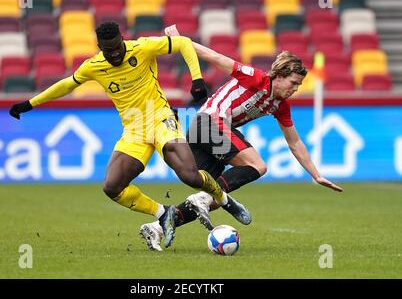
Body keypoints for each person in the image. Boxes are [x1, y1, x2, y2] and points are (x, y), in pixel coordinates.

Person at [9, 22, 251, 249]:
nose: (114, 55)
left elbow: (184, 43)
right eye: (108, 51)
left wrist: (197, 79)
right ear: (99, 48)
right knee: (112, 187)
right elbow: (67, 84)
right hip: (134, 130)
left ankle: (226, 201)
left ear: (123, 40)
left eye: (117, 48)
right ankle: (163, 213)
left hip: (160, 119)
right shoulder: (93, 66)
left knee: (189, 175)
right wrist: (31, 103)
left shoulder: (142, 47)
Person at [139, 24, 343, 251]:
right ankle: (202, 201)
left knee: (214, 196)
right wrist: (181, 42)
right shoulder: (256, 78)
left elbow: (294, 142)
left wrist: (316, 175)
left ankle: (157, 227)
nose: (296, 88)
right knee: (257, 166)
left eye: (299, 85)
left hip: (204, 133)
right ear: (279, 76)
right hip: (207, 123)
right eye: (293, 83)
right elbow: (215, 56)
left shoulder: (280, 106)